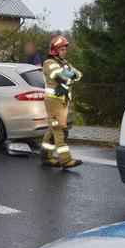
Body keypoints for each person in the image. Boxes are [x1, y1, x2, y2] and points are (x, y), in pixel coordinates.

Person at [40, 36, 83, 168]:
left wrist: (73, 75)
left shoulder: (64, 63)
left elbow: (79, 74)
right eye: (61, 49)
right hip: (54, 102)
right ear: (55, 50)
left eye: (65, 49)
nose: (64, 51)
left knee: (52, 128)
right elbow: (61, 78)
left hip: (62, 101)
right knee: (59, 129)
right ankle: (66, 160)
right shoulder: (49, 63)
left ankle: (46, 157)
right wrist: (70, 76)